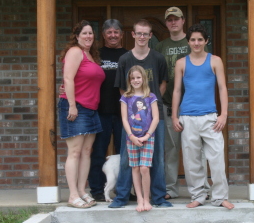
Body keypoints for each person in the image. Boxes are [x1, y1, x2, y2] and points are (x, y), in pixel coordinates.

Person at [109, 19, 172, 208]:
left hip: (154, 116)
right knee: (128, 157)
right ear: (133, 35)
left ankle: (158, 197)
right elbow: (122, 88)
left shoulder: (158, 59)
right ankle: (121, 197)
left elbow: (163, 84)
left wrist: (149, 103)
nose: (142, 37)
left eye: (146, 34)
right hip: (131, 119)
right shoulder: (125, 60)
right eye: (139, 33)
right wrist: (133, 106)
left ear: (151, 36)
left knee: (157, 157)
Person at [172, 24, 234, 209]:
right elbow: (176, 90)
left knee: (216, 158)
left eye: (200, 39)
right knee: (192, 161)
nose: (196, 43)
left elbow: (222, 88)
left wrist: (224, 114)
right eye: (193, 39)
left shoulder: (215, 61)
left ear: (206, 41)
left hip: (210, 117)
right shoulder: (181, 63)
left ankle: (220, 197)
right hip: (188, 117)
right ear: (188, 41)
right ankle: (198, 195)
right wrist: (175, 117)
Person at [155, 7, 211, 200]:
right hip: (168, 104)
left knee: (198, 150)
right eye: (169, 19)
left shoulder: (194, 42)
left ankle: (203, 187)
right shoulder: (161, 47)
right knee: (170, 150)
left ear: (183, 21)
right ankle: (171, 188)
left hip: (194, 107)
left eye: (176, 19)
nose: (173, 22)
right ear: (166, 23)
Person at [57, 20, 105, 208]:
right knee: (75, 152)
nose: (88, 36)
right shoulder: (75, 52)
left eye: (91, 33)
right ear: (77, 36)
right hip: (76, 107)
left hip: (91, 109)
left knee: (86, 152)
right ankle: (73, 195)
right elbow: (68, 78)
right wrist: (71, 105)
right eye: (84, 33)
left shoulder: (90, 55)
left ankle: (82, 191)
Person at [87, 19, 128, 202]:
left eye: (116, 32)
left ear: (121, 34)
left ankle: (124, 190)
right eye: (109, 32)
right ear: (103, 35)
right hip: (100, 111)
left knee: (125, 154)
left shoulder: (128, 55)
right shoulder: (95, 55)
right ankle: (97, 189)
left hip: (124, 113)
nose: (113, 35)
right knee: (98, 152)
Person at [120, 65, 159, 212]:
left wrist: (147, 135)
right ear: (129, 80)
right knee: (135, 168)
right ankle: (139, 199)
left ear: (143, 78)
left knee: (144, 168)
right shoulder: (126, 97)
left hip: (148, 138)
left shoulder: (150, 97)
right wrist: (131, 136)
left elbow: (155, 118)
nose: (136, 80)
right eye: (133, 78)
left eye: (138, 77)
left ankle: (147, 198)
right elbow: (124, 119)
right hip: (132, 138)